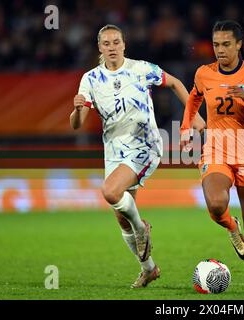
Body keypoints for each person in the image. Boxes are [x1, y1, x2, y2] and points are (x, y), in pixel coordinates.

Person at [70, 24, 205, 288]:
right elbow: (77, 123)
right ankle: (149, 269)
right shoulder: (90, 79)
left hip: (144, 145)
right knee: (121, 216)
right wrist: (76, 111)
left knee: (110, 192)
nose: (112, 47)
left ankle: (142, 228)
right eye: (106, 43)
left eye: (116, 42)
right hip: (114, 151)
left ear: (124, 44)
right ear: (99, 48)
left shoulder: (141, 69)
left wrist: (194, 115)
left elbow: (176, 83)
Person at [180, 20, 244, 291]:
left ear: (239, 44)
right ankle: (229, 226)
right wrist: (185, 128)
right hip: (217, 148)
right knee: (215, 204)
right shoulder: (204, 73)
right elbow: (193, 99)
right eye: (216, 44)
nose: (220, 50)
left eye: (226, 44)